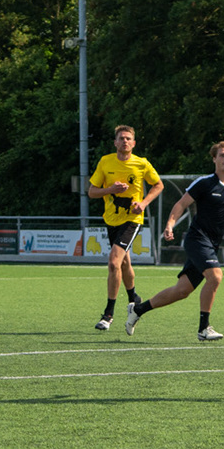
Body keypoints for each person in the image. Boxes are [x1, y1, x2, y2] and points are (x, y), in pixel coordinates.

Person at [124, 141, 224, 340]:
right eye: (222, 155)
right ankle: (204, 328)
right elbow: (181, 204)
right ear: (214, 159)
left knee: (182, 291)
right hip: (197, 239)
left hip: (213, 243)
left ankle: (138, 310)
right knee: (215, 276)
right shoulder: (204, 183)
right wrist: (170, 224)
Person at [87, 125, 163, 330]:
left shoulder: (141, 163)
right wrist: (110, 189)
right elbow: (92, 192)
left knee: (114, 262)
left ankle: (108, 314)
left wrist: (143, 204)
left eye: (128, 138)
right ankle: (134, 299)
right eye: (121, 138)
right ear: (115, 142)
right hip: (111, 220)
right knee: (124, 262)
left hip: (132, 219)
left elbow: (158, 185)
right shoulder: (105, 162)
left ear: (134, 143)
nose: (125, 141)